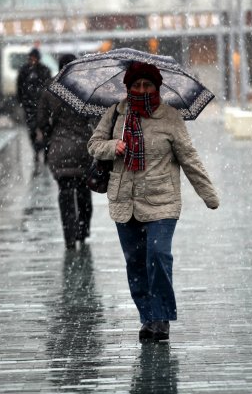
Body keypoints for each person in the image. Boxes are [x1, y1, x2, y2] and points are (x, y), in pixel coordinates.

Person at [87, 61, 219, 342]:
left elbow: (189, 158)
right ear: (128, 87)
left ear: (157, 87)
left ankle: (161, 318)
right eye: (136, 85)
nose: (142, 89)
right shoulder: (116, 114)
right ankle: (147, 318)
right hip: (125, 201)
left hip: (162, 202)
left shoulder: (170, 118)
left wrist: (208, 195)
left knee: (158, 256)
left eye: (147, 85)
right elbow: (94, 144)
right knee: (135, 262)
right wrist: (113, 147)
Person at [37, 54, 93, 249]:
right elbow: (94, 118)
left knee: (65, 192)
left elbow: (41, 122)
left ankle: (69, 236)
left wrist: (49, 133)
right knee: (84, 191)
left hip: (60, 150)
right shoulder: (84, 89)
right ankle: (83, 230)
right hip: (84, 148)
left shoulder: (50, 90)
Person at [17, 48, 52, 170]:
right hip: (29, 106)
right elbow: (20, 88)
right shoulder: (24, 71)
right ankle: (36, 152)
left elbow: (48, 87)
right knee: (32, 130)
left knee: (46, 129)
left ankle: (46, 153)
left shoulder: (44, 70)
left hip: (43, 106)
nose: (32, 60)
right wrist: (23, 102)